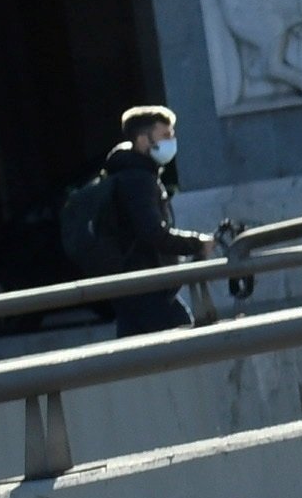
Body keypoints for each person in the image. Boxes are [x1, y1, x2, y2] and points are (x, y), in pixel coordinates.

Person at [60, 101, 208, 334]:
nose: (171, 141)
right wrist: (196, 243)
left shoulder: (128, 174)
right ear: (142, 140)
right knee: (175, 347)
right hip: (146, 287)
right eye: (165, 135)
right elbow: (152, 232)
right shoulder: (138, 180)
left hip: (137, 288)